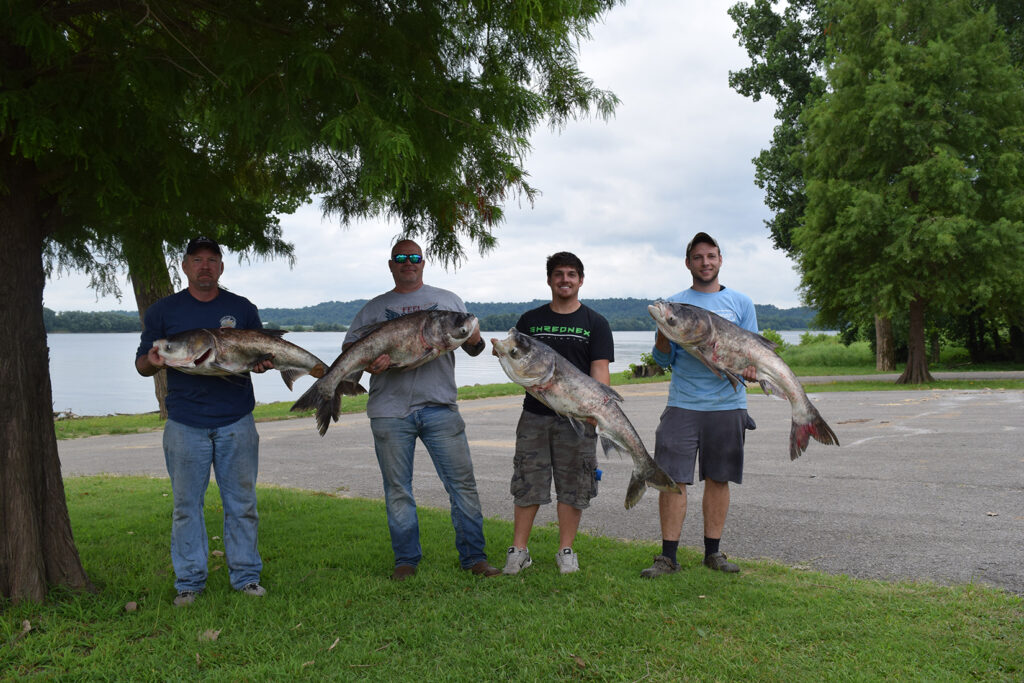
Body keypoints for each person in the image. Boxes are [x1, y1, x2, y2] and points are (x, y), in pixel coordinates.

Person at [343, 239, 499, 581]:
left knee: (462, 485)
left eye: (414, 257)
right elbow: (351, 351)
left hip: (440, 407)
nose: (408, 262)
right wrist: (371, 365)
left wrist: (473, 339)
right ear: (391, 265)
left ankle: (475, 558)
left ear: (423, 262)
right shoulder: (374, 308)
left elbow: (475, 346)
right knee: (398, 488)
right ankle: (406, 560)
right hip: (388, 410)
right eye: (401, 258)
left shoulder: (450, 301)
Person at [135, 236, 273, 606]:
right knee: (186, 506)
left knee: (242, 503)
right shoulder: (163, 312)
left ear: (221, 267)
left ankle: (245, 577)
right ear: (185, 266)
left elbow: (259, 356)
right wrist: (153, 359)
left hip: (237, 420)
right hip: (184, 423)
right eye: (197, 260)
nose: (205, 266)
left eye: (212, 260)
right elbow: (142, 365)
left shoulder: (242, 308)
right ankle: (189, 582)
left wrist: (262, 363)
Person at [640, 232, 758, 578]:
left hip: (728, 404)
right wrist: (664, 333)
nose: (705, 262)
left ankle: (713, 552)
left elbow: (750, 350)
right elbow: (662, 360)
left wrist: (750, 368)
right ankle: (667, 557)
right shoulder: (675, 304)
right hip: (683, 403)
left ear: (720, 260)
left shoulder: (741, 302)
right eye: (698, 257)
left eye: (711, 256)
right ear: (688, 262)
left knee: (718, 479)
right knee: (673, 479)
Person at [502, 252, 614, 575]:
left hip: (579, 420)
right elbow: (519, 367)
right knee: (527, 480)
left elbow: (600, 372)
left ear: (581, 280)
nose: (565, 279)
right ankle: (518, 551)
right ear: (549, 279)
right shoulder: (529, 322)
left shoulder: (596, 323)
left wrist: (596, 410)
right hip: (535, 416)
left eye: (571, 274)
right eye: (559, 274)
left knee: (575, 484)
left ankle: (566, 551)